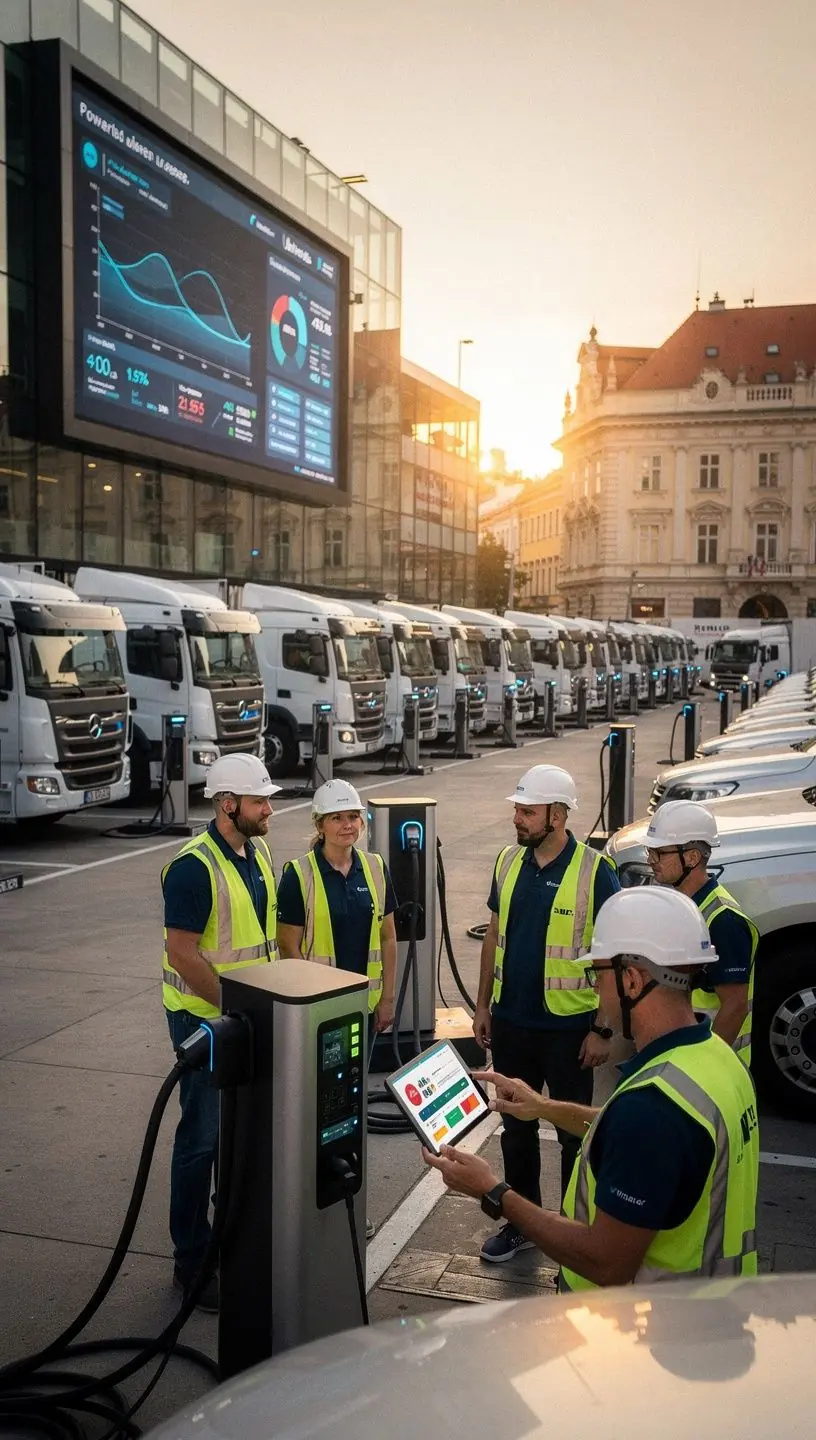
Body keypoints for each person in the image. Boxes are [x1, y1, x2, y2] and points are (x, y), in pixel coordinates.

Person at [426, 887, 759, 1291]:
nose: (595, 990)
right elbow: (647, 1139)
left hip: (641, 1336)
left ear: (632, 980)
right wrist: (544, 1107)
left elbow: (604, 1263)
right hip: (707, 1317)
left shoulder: (652, 1109)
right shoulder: (716, 1059)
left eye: (596, 974)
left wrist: (492, 1190)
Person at [472, 763, 620, 1263]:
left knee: (573, 1130)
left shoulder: (597, 871)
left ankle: (575, 1229)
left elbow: (611, 956)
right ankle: (523, 1222)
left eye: (527, 811)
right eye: (518, 809)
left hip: (569, 1028)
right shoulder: (508, 862)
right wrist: (483, 1005)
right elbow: (494, 935)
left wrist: (604, 1027)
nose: (518, 818)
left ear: (557, 815)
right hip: (512, 1022)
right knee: (515, 1127)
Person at [162, 752, 280, 1312]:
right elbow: (183, 956)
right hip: (203, 1019)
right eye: (260, 801)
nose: (269, 810)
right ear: (229, 804)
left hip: (243, 1019)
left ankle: (225, 1241)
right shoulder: (192, 867)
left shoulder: (255, 854)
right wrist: (236, 1006)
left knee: (235, 1138)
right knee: (202, 1138)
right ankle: (191, 1261)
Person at [277, 777, 398, 1239]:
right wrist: (307, 1007)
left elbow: (388, 936)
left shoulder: (375, 868)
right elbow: (288, 948)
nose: (348, 825)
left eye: (354, 817)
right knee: (314, 1114)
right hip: (318, 1015)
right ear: (320, 824)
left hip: (361, 1012)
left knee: (348, 1114)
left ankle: (347, 1201)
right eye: (338, 818)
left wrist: (386, 996)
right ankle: (307, 1206)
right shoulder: (298, 875)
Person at [645, 800, 757, 1064]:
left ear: (692, 857)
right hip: (681, 1054)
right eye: (649, 851)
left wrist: (703, 1065)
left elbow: (735, 1006)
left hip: (712, 1069)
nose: (651, 860)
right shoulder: (683, 905)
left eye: (659, 853)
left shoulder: (723, 921)